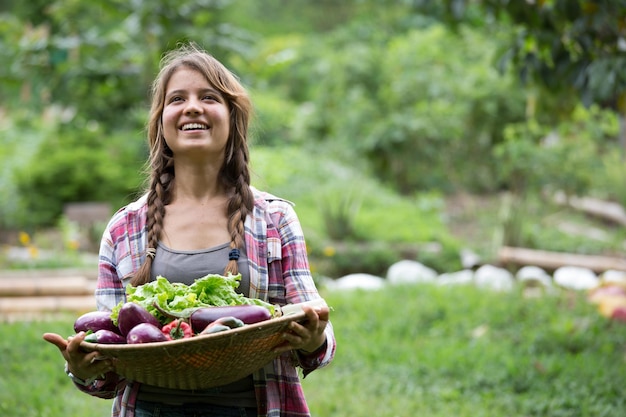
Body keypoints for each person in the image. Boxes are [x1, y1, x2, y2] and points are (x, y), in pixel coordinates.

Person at [43, 42, 335, 417]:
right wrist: (83, 370)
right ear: (161, 121)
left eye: (209, 97)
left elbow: (319, 335)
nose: (193, 106)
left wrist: (313, 339)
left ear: (232, 118)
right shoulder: (124, 228)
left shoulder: (275, 220)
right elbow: (113, 358)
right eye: (177, 98)